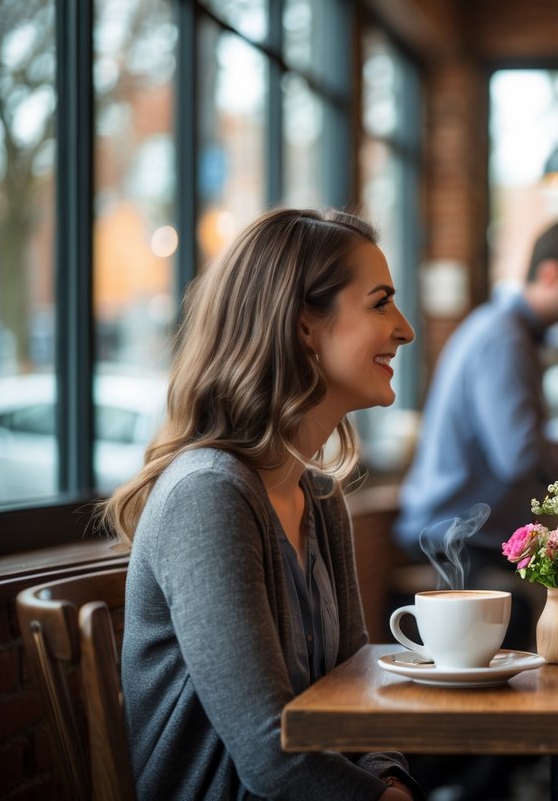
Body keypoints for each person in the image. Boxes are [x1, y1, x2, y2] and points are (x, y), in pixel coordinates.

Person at [104, 209, 421, 801]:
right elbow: (267, 754)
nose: (405, 330)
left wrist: (390, 779)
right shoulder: (209, 494)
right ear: (304, 327)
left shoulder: (318, 493)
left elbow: (357, 685)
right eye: (380, 303)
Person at [395, 218, 558, 586]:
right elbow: (520, 458)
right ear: (549, 275)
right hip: (455, 539)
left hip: (462, 532)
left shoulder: (507, 331)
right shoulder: (504, 340)